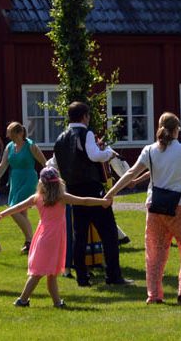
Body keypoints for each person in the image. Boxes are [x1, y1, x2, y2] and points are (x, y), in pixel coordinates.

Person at [106, 112, 181, 304]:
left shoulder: (149, 150)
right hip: (178, 207)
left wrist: (112, 192)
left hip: (154, 206)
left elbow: (131, 173)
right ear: (176, 130)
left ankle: (154, 295)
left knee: (155, 253)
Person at [2, 166, 114, 308]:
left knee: (49, 272)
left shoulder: (37, 198)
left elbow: (17, 207)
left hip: (43, 236)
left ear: (41, 183)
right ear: (58, 182)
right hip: (54, 238)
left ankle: (56, 302)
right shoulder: (62, 198)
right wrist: (102, 202)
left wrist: (2, 214)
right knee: (41, 272)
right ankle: (22, 300)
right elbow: (84, 201)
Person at [53, 101, 128, 287]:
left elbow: (52, 164)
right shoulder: (86, 133)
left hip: (73, 190)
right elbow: (94, 155)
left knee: (80, 234)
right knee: (109, 233)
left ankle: (82, 278)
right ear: (85, 116)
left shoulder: (60, 138)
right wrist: (109, 153)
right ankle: (113, 276)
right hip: (93, 189)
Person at [0, 121, 47, 253]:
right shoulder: (9, 147)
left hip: (29, 179)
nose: (7, 135)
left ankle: (31, 240)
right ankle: (29, 242)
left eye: (9, 132)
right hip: (15, 180)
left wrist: (48, 180)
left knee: (13, 209)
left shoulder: (31, 146)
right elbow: (2, 166)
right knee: (22, 212)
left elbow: (44, 163)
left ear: (19, 133)